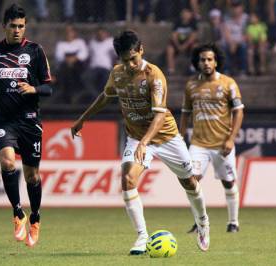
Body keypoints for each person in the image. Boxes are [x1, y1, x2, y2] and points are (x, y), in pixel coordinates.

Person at [71, 30, 210, 254]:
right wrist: (82, 119)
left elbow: (159, 115)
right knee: (127, 179)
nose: (130, 65)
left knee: (190, 183)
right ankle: (142, 237)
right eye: (125, 60)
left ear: (141, 50)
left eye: (133, 58)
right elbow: (106, 96)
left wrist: (146, 142)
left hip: (166, 137)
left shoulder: (154, 75)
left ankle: (203, 223)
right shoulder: (117, 74)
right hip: (137, 137)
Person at [0, 4, 53, 247]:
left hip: (29, 120)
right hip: (3, 119)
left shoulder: (35, 51)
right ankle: (18, 214)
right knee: (7, 162)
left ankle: (36, 219)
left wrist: (34, 88)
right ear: (4, 26)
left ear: (25, 26)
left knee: (32, 176)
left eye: (21, 26)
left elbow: (50, 87)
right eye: (13, 26)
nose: (17, 30)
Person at [180, 43, 244, 234]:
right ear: (197, 63)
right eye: (202, 60)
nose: (206, 63)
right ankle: (200, 221)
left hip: (222, 144)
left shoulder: (228, 83)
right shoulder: (191, 85)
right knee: (192, 181)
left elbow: (238, 112)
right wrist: (180, 137)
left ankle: (233, 222)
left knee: (228, 182)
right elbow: (185, 113)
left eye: (210, 59)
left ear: (216, 62)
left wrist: (231, 138)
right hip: (198, 144)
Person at [165, 8, 198, 75]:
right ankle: (171, 70)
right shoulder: (177, 22)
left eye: (187, 13)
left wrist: (185, 46)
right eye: (184, 13)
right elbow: (174, 36)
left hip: (189, 44)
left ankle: (193, 68)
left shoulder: (193, 23)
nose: (185, 15)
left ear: (191, 14)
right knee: (169, 49)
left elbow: (193, 36)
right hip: (178, 44)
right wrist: (178, 46)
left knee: (195, 47)